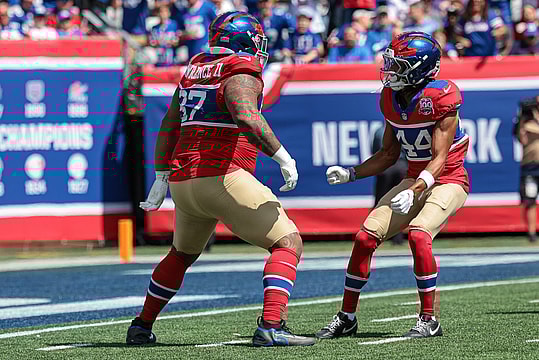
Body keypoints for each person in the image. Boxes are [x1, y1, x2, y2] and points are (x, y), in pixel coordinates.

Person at [126, 11, 315, 347]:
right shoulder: (241, 68)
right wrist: (282, 155)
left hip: (184, 182)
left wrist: (161, 175)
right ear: (243, 41)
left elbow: (170, 123)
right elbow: (245, 115)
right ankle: (272, 325)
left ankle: (142, 325)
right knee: (288, 243)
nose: (259, 48)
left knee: (181, 254)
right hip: (221, 175)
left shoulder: (195, 68)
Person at [316, 32, 469, 339]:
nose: (391, 70)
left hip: (448, 179)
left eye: (399, 65)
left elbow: (439, 159)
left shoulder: (441, 96)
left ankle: (429, 319)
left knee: (418, 234)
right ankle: (347, 317)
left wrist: (415, 190)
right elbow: (389, 154)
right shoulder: (389, 97)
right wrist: (351, 173)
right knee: (364, 237)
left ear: (419, 68)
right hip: (415, 178)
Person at [371, 125, 407, 245]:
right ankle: (397, 238)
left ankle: (374, 234)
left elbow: (376, 152)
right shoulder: (402, 129)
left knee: (380, 202)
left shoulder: (379, 131)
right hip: (401, 166)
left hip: (385, 168)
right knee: (399, 202)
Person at [514, 96, 539, 243]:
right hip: (530, 166)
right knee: (529, 199)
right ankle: (531, 233)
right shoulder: (526, 121)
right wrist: (522, 116)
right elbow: (521, 136)